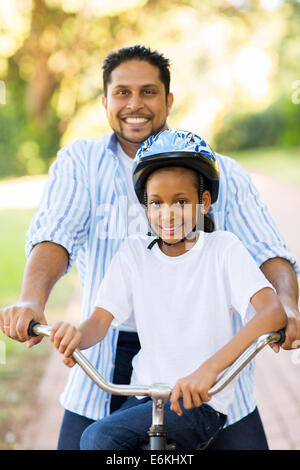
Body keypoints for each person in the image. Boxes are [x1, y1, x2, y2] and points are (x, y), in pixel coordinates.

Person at [0, 45, 298, 450]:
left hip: (210, 355)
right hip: (112, 352)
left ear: (168, 99)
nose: (134, 104)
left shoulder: (220, 174)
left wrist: (288, 305)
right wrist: (33, 301)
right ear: (105, 101)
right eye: (122, 92)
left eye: (148, 92)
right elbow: (56, 234)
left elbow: (267, 249)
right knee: (90, 441)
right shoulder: (82, 164)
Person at [49, 130, 287, 450]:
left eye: (181, 201)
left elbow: (272, 312)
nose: (168, 214)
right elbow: (100, 321)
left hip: (201, 402)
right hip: (145, 395)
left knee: (98, 437)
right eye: (157, 203)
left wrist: (208, 371)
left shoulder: (223, 250)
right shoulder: (134, 253)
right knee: (104, 438)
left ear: (203, 203)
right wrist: (76, 335)